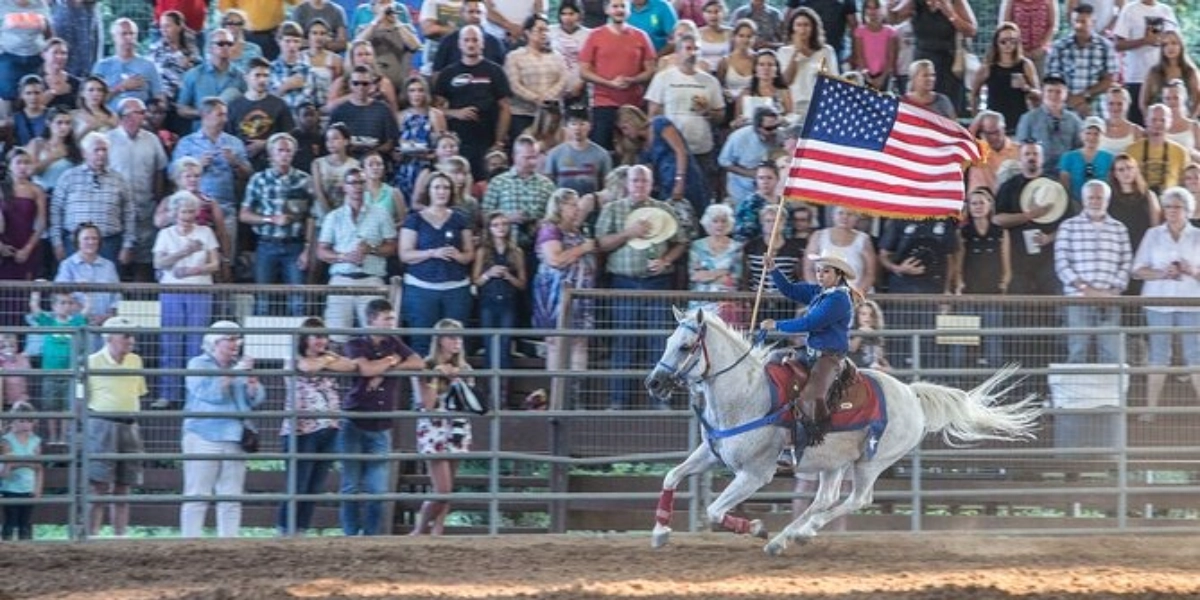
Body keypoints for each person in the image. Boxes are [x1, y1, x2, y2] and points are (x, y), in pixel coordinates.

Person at [595, 164, 687, 410]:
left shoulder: (664, 209)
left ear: (651, 184)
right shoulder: (613, 209)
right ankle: (618, 401)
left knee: (658, 341)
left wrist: (666, 260)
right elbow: (602, 243)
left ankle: (659, 399)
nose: (639, 185)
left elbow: (680, 242)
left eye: (644, 181)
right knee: (623, 341)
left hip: (657, 283)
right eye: (635, 181)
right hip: (623, 283)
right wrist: (628, 233)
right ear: (627, 183)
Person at [759, 249, 859, 466]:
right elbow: (790, 290)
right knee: (773, 361)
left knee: (811, 396)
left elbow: (810, 323)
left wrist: (777, 325)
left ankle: (799, 448)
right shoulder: (820, 292)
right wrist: (774, 270)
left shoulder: (839, 300)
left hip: (829, 357)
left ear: (838, 274)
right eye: (818, 271)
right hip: (810, 352)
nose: (820, 275)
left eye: (825, 271)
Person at [340, 299, 423, 536]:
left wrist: (384, 369)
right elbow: (365, 370)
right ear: (372, 319)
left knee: (377, 490)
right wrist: (391, 360)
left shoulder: (393, 342)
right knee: (351, 487)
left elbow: (417, 362)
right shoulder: (356, 343)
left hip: (380, 424)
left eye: (392, 319)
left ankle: (370, 536)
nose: (391, 323)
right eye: (387, 318)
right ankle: (351, 534)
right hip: (356, 420)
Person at [181, 321, 265, 538]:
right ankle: (189, 543)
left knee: (231, 495)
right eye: (230, 339)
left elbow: (256, 399)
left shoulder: (238, 367)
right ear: (214, 343)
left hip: (234, 437)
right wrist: (236, 373)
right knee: (198, 494)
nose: (235, 343)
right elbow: (210, 394)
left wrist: (252, 384)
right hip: (203, 435)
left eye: (237, 339)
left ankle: (229, 543)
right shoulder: (198, 365)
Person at [278, 316, 357, 537]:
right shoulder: (292, 357)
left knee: (314, 487)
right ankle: (285, 531)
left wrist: (326, 360)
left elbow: (350, 365)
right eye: (316, 337)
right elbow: (307, 367)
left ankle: (300, 531)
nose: (321, 342)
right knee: (298, 485)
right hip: (301, 430)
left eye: (324, 337)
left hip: (328, 428)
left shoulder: (327, 357)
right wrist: (328, 361)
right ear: (304, 339)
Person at [1130, 186, 1200, 421]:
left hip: (1191, 303)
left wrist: (1190, 270)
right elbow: (1137, 270)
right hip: (1158, 303)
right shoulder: (1153, 234)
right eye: (1167, 206)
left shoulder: (1198, 235)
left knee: (1195, 355)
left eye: (1177, 207)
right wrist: (1161, 273)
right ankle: (1151, 409)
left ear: (1187, 210)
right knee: (1158, 355)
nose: (1171, 211)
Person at [153, 192, 220, 406]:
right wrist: (184, 252)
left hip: (200, 290)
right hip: (172, 291)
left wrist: (194, 270)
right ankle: (169, 394)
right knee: (170, 341)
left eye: (192, 211)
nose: (187, 216)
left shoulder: (206, 231)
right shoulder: (165, 234)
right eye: (183, 211)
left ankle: (195, 395)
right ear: (174, 212)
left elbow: (215, 264)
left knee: (196, 343)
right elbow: (159, 263)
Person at [533, 188, 598, 409]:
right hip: (556, 295)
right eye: (572, 204)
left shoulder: (578, 230)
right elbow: (556, 259)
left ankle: (576, 395)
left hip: (581, 294)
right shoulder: (550, 230)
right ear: (560, 206)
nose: (576, 208)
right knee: (557, 343)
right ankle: (559, 395)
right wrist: (583, 248)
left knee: (580, 342)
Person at [1054, 179, 1132, 364]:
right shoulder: (1068, 226)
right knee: (1078, 351)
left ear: (1107, 200)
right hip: (1078, 298)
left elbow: (1127, 262)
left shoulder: (1119, 229)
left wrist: (1112, 292)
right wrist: (1084, 288)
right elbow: (1061, 263)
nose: (1095, 201)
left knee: (1112, 355)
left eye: (1099, 197)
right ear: (1083, 200)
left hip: (1110, 300)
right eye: (1091, 198)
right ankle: (1075, 394)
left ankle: (1111, 394)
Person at [399, 172, 476, 355]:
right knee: (422, 341)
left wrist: (459, 256)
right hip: (421, 288)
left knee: (454, 344)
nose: (442, 192)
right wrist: (432, 253)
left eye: (446, 188)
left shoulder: (459, 218)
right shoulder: (414, 219)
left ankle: (453, 382)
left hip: (455, 288)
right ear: (429, 191)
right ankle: (423, 383)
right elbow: (405, 254)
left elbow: (469, 254)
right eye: (437, 187)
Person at [238, 133, 315, 316]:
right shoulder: (258, 179)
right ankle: (261, 343)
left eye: (288, 150)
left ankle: (298, 342)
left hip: (294, 245)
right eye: (280, 150)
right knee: (263, 300)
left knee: (298, 301)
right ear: (271, 154)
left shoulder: (305, 180)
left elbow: (312, 217)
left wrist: (307, 248)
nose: (284, 154)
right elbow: (244, 215)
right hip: (266, 244)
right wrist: (270, 219)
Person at [84, 316, 148, 538]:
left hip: (129, 425)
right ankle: (92, 534)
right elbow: (80, 399)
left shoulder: (135, 361)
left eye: (132, 335)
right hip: (102, 425)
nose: (131, 340)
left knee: (124, 485)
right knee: (99, 485)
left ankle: (119, 534)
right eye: (126, 335)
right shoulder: (91, 362)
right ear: (110, 337)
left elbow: (137, 392)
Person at [410, 318, 474, 536]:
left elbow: (470, 402)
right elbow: (426, 404)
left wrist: (459, 379)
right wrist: (436, 376)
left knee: (448, 486)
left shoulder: (465, 368)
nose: (457, 342)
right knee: (442, 490)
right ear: (440, 340)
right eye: (451, 337)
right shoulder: (425, 366)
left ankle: (438, 531)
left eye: (459, 337)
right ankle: (420, 529)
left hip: (456, 427)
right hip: (434, 430)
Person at [316, 166, 396, 339]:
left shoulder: (381, 213)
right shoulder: (333, 217)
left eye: (361, 182)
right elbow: (321, 251)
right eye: (352, 183)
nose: (357, 187)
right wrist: (342, 257)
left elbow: (392, 246)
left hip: (371, 280)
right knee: (336, 336)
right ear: (344, 187)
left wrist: (372, 249)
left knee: (377, 337)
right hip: (341, 280)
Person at [578, 0, 657, 150]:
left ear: (629, 10)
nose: (619, 10)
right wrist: (609, 83)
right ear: (607, 10)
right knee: (602, 149)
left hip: (633, 104)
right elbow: (583, 71)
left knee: (635, 150)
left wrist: (633, 80)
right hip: (604, 103)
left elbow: (651, 70)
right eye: (615, 6)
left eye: (623, 6)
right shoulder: (595, 35)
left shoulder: (641, 36)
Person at [49, 132, 136, 266]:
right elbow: (56, 210)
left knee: (108, 286)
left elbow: (129, 214)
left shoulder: (119, 179)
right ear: (84, 153)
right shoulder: (68, 177)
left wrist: (127, 245)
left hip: (109, 244)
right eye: (96, 150)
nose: (101, 154)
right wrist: (57, 243)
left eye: (104, 150)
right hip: (74, 243)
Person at [950, 187, 1010, 369]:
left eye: (981, 203)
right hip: (969, 294)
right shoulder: (963, 233)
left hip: (993, 294)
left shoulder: (1001, 232)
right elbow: (958, 264)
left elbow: (1006, 266)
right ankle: (959, 378)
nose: (977, 207)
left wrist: (1004, 284)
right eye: (973, 203)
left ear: (990, 205)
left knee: (993, 341)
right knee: (962, 341)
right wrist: (959, 285)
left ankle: (995, 379)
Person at [26, 289, 88, 446]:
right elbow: (35, 308)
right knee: (51, 407)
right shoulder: (49, 321)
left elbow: (87, 310)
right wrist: (36, 291)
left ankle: (63, 438)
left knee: (67, 407)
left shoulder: (75, 322)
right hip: (50, 373)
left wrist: (86, 293)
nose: (66, 306)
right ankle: (53, 438)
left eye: (69, 303)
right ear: (54, 306)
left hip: (70, 373)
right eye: (62, 303)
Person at [473, 211, 527, 377]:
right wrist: (489, 274)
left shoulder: (516, 252)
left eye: (504, 224)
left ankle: (504, 390)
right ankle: (489, 388)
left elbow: (522, 283)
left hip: (508, 303)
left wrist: (508, 276)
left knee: (505, 345)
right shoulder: (483, 251)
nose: (501, 228)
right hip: (487, 302)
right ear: (489, 229)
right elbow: (475, 281)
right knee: (489, 345)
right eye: (496, 225)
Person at [1046, 3, 1117, 118]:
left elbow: (1109, 80)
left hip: (1095, 107)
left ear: (1093, 23)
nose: (1078, 26)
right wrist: (1071, 100)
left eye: (1083, 22)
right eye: (1075, 21)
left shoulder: (1105, 47)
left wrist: (1084, 97)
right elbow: (1052, 78)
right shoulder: (1059, 46)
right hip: (1064, 107)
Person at [970, 22, 1038, 130]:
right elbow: (974, 94)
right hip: (994, 126)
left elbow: (1038, 95)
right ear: (996, 43)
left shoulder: (1025, 65)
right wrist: (977, 119)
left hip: (1020, 123)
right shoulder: (987, 67)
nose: (1008, 45)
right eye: (1003, 41)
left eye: (1013, 41)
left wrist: (1026, 87)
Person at [688, 203, 744, 326]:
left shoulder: (736, 247)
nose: (719, 225)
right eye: (715, 221)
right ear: (708, 223)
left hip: (725, 303)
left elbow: (734, 278)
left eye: (723, 221)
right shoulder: (697, 246)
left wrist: (708, 274)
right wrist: (722, 272)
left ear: (729, 223)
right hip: (700, 302)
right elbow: (695, 276)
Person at [0, 402, 42, 541]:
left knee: (25, 523)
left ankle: (26, 549)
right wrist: (25, 463)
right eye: (21, 420)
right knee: (10, 522)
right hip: (10, 489)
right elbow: (6, 468)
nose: (25, 425)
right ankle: (6, 548)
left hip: (28, 489)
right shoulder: (6, 441)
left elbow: (39, 468)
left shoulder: (35, 441)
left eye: (29, 421)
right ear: (13, 421)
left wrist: (37, 489)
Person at [1058, 116, 1115, 202]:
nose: (1092, 137)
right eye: (1088, 133)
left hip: (1101, 203)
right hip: (1075, 203)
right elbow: (1064, 186)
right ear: (1081, 135)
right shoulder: (1068, 157)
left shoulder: (1109, 158)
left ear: (1103, 136)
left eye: (1096, 134)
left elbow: (1111, 184)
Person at [848, 299, 889, 370]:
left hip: (873, 370)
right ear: (857, 316)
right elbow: (851, 349)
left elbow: (880, 357)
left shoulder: (877, 334)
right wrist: (860, 333)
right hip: (857, 371)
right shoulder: (852, 331)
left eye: (871, 315)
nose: (867, 317)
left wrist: (886, 368)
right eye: (863, 314)